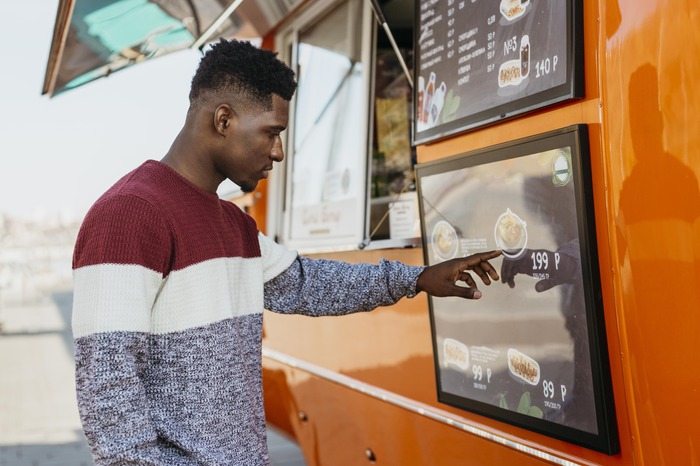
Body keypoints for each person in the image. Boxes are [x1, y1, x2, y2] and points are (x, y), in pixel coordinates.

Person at [71, 38, 501, 466]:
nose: (277, 152)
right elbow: (108, 392)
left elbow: (306, 284)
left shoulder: (234, 223)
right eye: (271, 133)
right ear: (223, 120)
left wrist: (416, 278)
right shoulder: (129, 214)